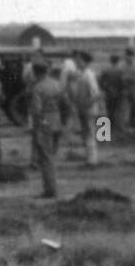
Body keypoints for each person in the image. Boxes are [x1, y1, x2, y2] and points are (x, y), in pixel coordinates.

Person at [29, 61, 67, 198]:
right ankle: (51, 187)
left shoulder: (38, 88)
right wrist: (63, 121)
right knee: (51, 155)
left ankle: (50, 190)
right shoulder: (57, 84)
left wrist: (41, 124)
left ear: (35, 73)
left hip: (45, 122)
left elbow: (37, 111)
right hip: (57, 120)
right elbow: (66, 104)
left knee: (46, 158)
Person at [72, 51, 103, 165]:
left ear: (85, 61)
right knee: (86, 134)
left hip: (88, 109)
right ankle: (89, 158)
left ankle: (92, 160)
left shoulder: (89, 75)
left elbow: (95, 94)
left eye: (79, 60)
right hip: (84, 108)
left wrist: (85, 104)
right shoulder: (82, 74)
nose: (77, 62)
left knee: (89, 134)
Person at [100, 54, 125, 129]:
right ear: (118, 61)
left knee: (109, 110)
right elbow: (122, 83)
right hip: (118, 93)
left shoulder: (106, 70)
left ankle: (109, 125)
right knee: (117, 110)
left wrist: (105, 89)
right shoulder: (120, 71)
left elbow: (101, 82)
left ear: (110, 61)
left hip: (109, 93)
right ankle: (117, 126)